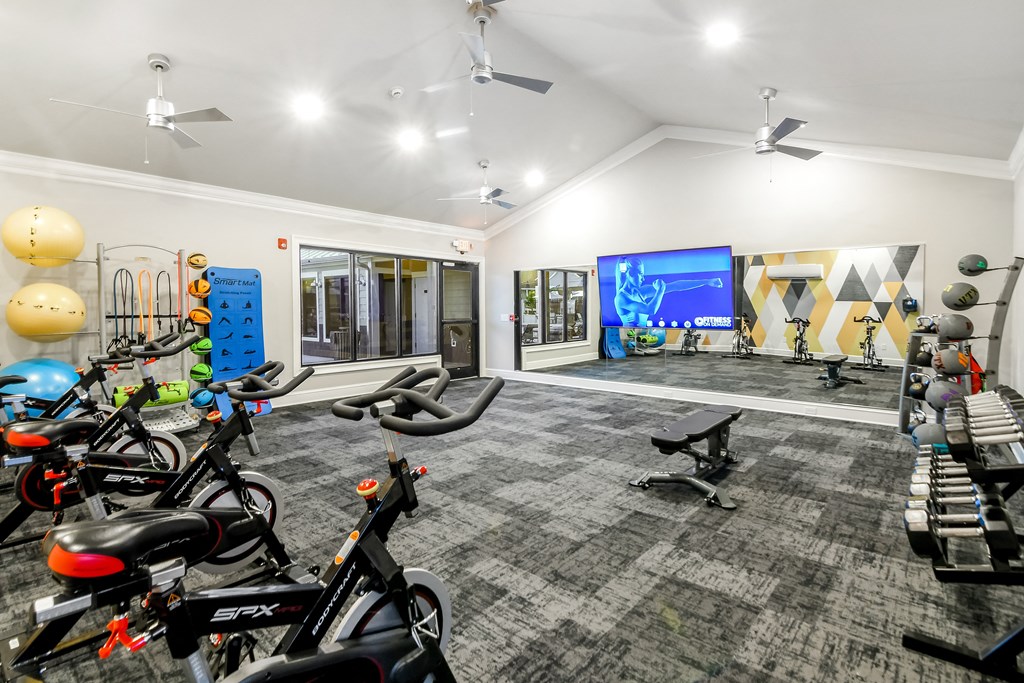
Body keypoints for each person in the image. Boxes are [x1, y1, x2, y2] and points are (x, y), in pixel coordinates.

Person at [613, 256, 723, 327]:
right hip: (630, 341)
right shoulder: (621, 298)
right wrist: (660, 290)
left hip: (642, 340)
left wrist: (707, 281)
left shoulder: (641, 292)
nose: (643, 278)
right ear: (630, 274)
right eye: (640, 274)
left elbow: (676, 285)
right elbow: (651, 310)